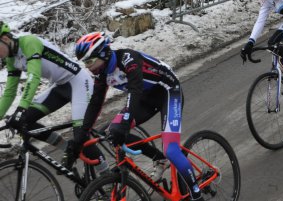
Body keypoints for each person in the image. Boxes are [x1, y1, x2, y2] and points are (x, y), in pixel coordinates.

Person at [71, 32, 204, 201]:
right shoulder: (102, 72)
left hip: (167, 91)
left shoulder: (128, 59)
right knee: (112, 131)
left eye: (89, 61)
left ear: (102, 53)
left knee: (171, 149)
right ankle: (159, 159)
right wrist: (82, 133)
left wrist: (125, 123)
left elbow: (134, 90)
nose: (87, 66)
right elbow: (96, 102)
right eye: (85, 63)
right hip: (144, 96)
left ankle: (196, 194)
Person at [0, 21, 106, 171]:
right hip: (60, 86)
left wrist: (21, 108)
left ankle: (107, 176)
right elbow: (9, 93)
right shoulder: (11, 59)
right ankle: (67, 148)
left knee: (80, 135)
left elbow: (34, 76)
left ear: (5, 39)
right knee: (26, 120)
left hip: (78, 81)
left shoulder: (28, 42)